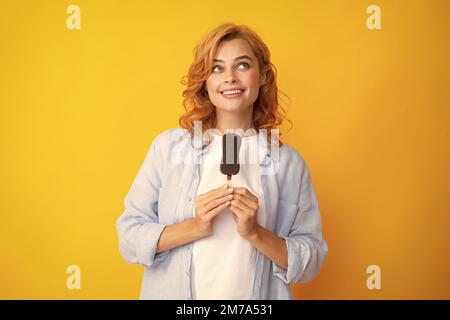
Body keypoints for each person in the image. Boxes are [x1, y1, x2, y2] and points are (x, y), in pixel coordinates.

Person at [116, 23, 328, 300]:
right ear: (205, 80)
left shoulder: (288, 163)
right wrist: (196, 226)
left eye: (242, 65)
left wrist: (255, 233)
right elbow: (129, 237)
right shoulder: (167, 149)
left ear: (262, 75)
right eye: (217, 68)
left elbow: (311, 261)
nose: (229, 77)